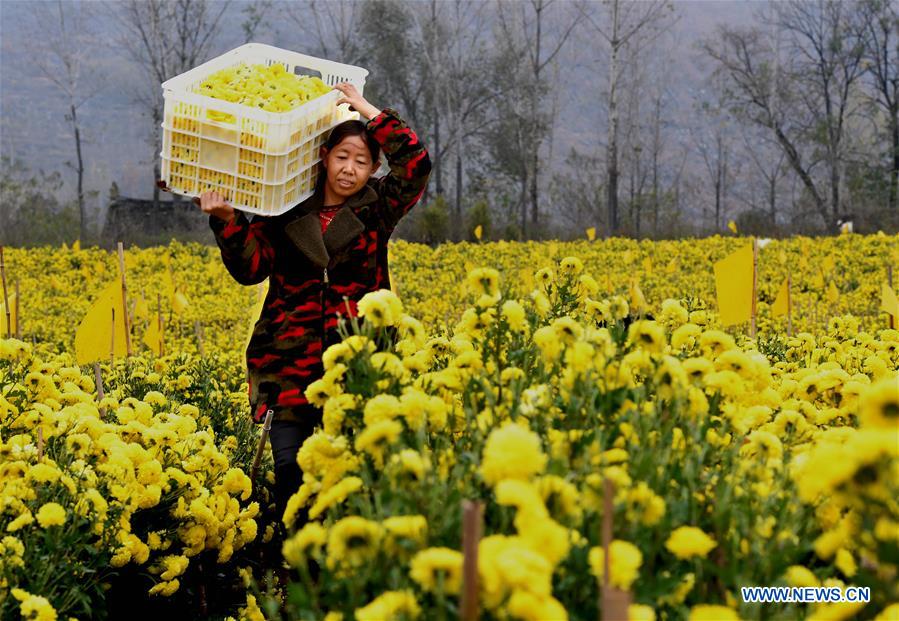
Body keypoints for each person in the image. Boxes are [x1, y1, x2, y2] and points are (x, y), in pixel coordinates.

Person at [202, 82, 431, 535]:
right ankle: (297, 569)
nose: (349, 169)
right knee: (291, 471)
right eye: (342, 156)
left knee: (351, 475)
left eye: (362, 161)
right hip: (287, 362)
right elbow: (253, 268)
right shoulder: (283, 207)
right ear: (324, 157)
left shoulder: (378, 209)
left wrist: (367, 110)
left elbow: (416, 164)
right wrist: (228, 222)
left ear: (373, 169)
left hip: (356, 364)